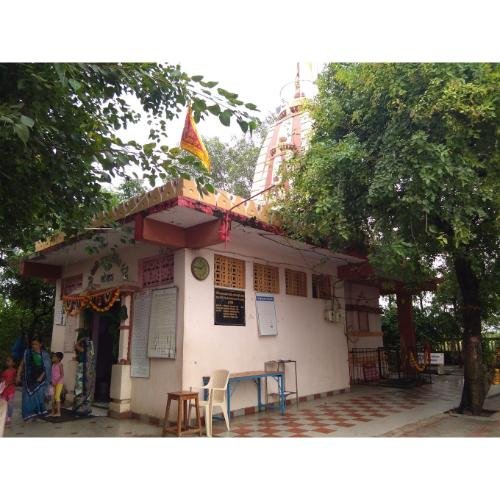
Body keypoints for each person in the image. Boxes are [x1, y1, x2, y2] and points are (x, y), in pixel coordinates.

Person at [16, 336, 52, 421]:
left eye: (36, 344)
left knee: (38, 397)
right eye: (33, 344)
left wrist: (41, 376)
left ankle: (37, 414)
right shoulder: (27, 353)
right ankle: (28, 415)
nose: (34, 346)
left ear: (40, 344)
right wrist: (18, 375)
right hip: (28, 380)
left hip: (39, 381)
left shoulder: (45, 355)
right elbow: (22, 365)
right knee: (27, 398)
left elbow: (47, 368)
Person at [73, 334, 96, 416]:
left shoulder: (86, 349)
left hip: (84, 372)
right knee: (83, 389)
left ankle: (80, 409)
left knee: (81, 389)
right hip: (85, 371)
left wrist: (80, 340)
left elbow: (76, 346)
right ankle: (84, 409)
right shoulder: (90, 349)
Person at [1, 356, 17, 424]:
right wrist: (3, 381)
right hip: (4, 390)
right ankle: (4, 417)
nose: (7, 362)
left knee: (10, 404)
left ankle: (9, 417)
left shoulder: (15, 371)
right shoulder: (4, 371)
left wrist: (10, 382)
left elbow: (15, 380)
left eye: (9, 361)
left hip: (11, 390)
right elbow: (2, 379)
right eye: (6, 361)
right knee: (3, 404)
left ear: (13, 363)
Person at [50, 352, 64, 417]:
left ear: (59, 358)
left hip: (59, 383)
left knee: (57, 397)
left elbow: (62, 375)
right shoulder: (53, 365)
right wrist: (51, 381)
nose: (53, 357)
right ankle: (52, 412)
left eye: (54, 356)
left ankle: (59, 413)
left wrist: (56, 382)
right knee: (52, 397)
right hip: (52, 383)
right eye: (53, 356)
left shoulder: (60, 364)